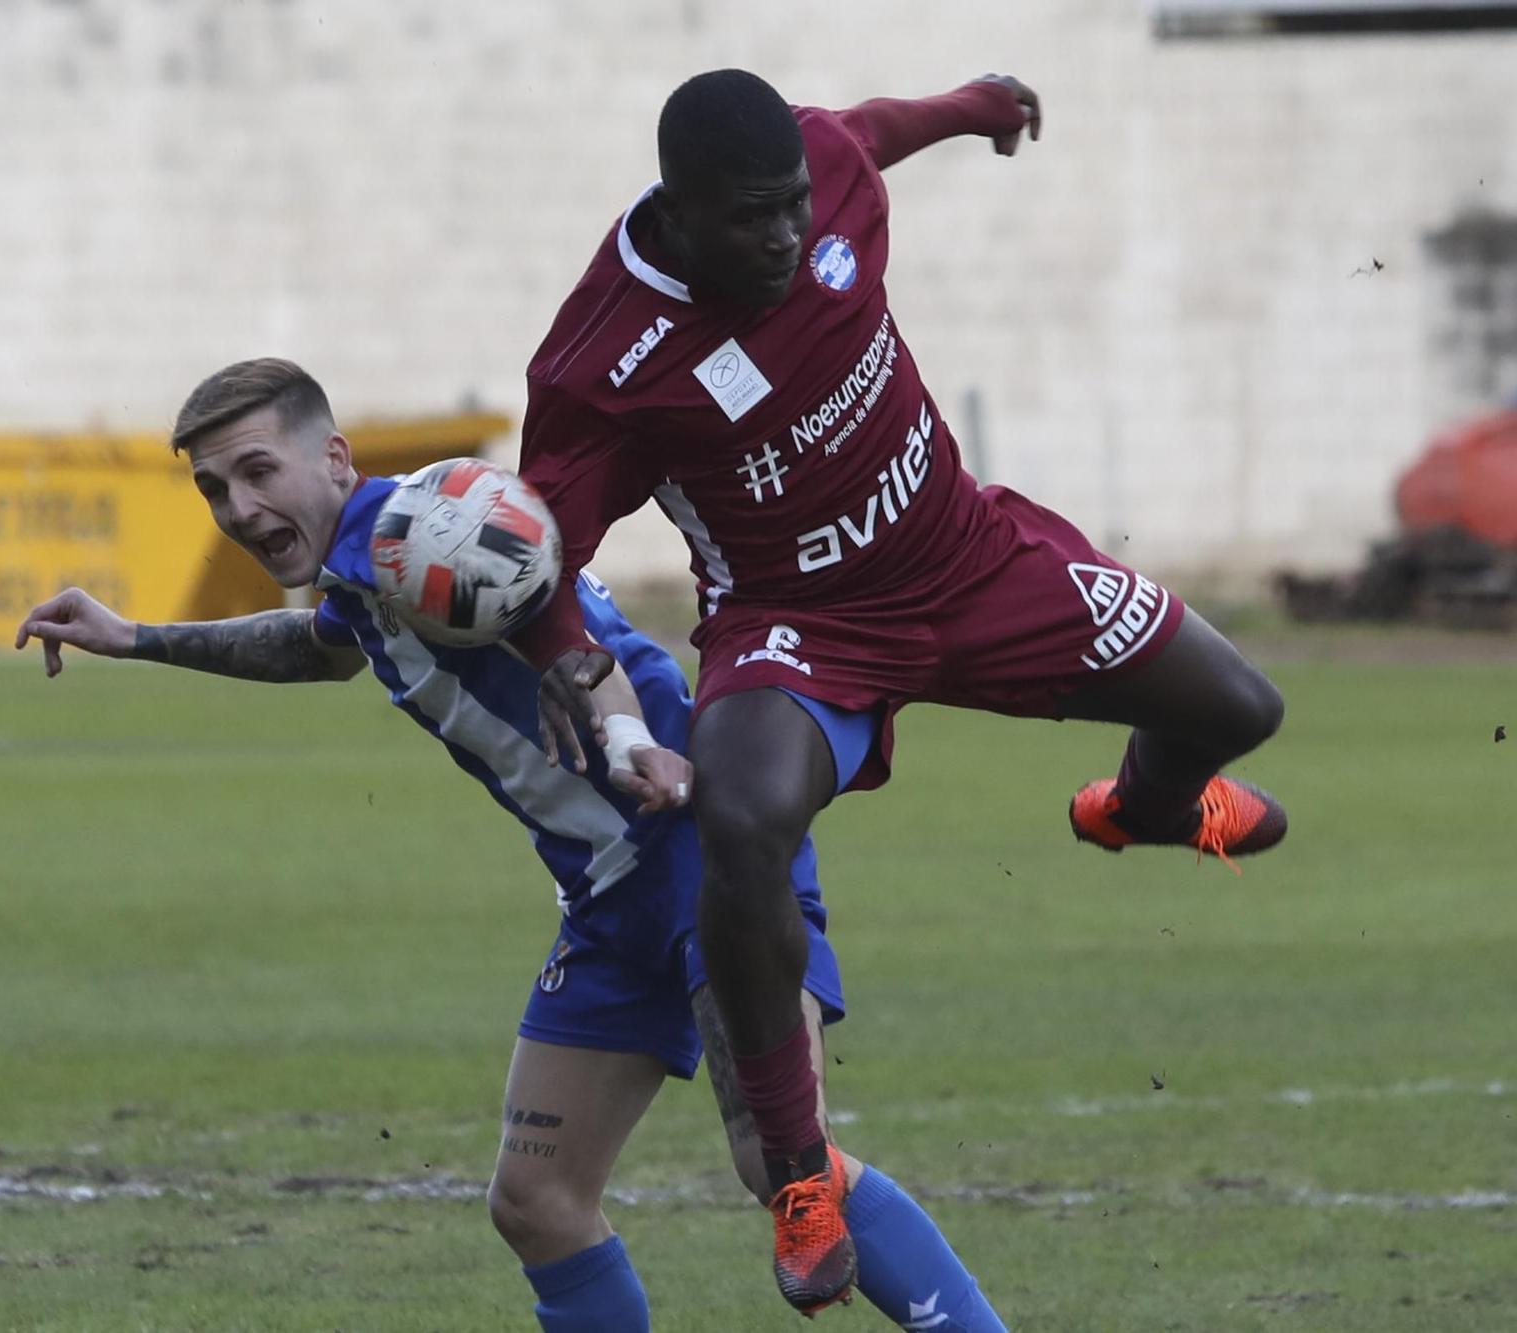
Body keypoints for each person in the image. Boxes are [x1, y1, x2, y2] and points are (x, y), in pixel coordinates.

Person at [509, 70, 1290, 1312]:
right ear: (680, 207)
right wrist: (560, 649)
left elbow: (865, 132)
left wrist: (974, 106)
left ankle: (1139, 807)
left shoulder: (818, 178)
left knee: (1239, 708)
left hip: (970, 559)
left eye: (792, 209)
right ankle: (800, 1172)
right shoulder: (605, 362)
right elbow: (534, 539)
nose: (784, 235)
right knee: (742, 820)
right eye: (752, 219)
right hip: (796, 628)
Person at [15, 358, 1008, 1331]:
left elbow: (568, 639)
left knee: (780, 1160)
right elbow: (320, 650)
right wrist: (138, 636)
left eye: (256, 471)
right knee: (536, 1200)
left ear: (334, 458)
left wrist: (627, 741)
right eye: (213, 488)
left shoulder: (415, 535)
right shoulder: (375, 564)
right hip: (614, 894)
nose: (235, 507)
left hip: (694, 850)